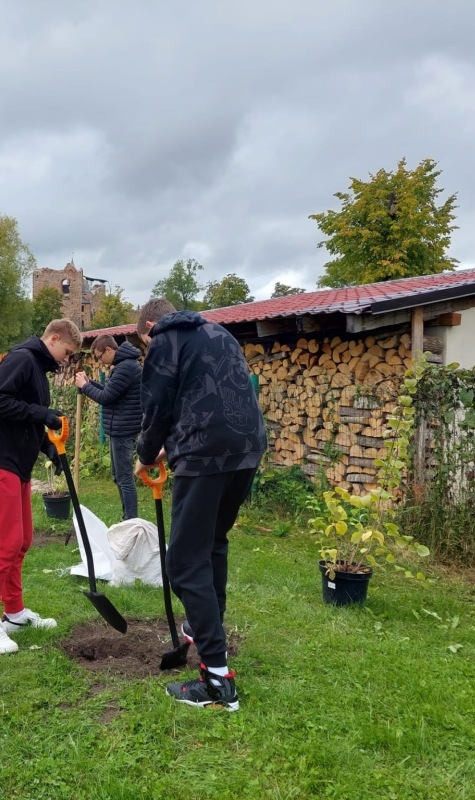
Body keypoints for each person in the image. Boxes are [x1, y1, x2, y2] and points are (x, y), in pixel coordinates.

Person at [134, 298, 267, 712]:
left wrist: (145, 453)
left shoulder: (165, 339)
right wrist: (168, 448)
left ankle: (217, 681)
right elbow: (209, 397)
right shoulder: (219, 333)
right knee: (212, 543)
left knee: (184, 563)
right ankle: (207, 626)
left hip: (205, 454)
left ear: (150, 326)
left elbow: (156, 406)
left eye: (144, 342)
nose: (148, 347)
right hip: (247, 448)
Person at [0, 318, 81, 654]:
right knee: (4, 542)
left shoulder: (37, 369)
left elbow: (27, 419)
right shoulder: (21, 359)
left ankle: (15, 613)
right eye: (67, 351)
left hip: (17, 464)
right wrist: (42, 413)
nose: (66, 359)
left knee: (21, 541)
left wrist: (48, 448)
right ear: (54, 338)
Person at [74, 333, 143, 521]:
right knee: (118, 476)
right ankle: (127, 517)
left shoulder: (126, 368)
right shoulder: (123, 365)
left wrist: (85, 386)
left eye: (99, 357)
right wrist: (88, 382)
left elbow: (105, 398)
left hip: (124, 430)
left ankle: (131, 520)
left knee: (124, 478)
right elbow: (109, 390)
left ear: (109, 349)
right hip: (119, 429)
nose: (100, 361)